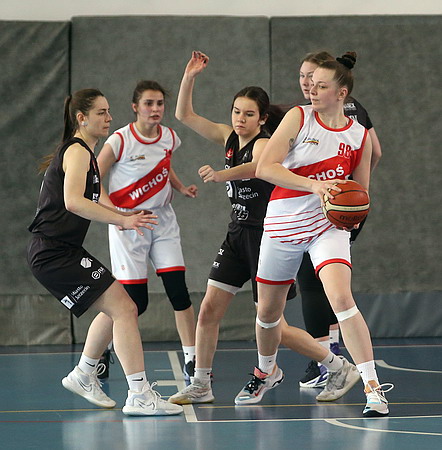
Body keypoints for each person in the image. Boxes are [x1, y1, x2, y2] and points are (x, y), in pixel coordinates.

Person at [168, 51, 359, 406]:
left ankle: (336, 365)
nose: (240, 119)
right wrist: (189, 76)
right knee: (208, 309)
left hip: (266, 235)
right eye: (236, 112)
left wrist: (221, 174)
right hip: (237, 233)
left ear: (262, 118)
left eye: (248, 114)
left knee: (274, 326)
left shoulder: (264, 143)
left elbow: (256, 168)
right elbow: (184, 115)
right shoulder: (229, 136)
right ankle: (201, 383)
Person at [238, 52, 393, 417]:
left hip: (326, 227)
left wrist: (352, 215)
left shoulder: (359, 136)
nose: (312, 89)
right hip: (283, 222)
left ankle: (373, 387)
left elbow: (361, 191)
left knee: (342, 299)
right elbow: (265, 167)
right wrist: (314, 185)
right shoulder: (298, 117)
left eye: (321, 86)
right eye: (310, 83)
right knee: (268, 313)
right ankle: (266, 371)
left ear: (341, 94)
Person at [27, 88, 183, 416]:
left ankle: (85, 373)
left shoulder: (85, 153)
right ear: (81, 118)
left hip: (63, 250)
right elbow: (73, 201)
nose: (109, 118)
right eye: (101, 112)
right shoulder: (77, 152)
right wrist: (122, 220)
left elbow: (91, 198)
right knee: (125, 308)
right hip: (53, 253)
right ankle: (139, 394)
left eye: (109, 111)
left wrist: (125, 215)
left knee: (121, 307)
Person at [283, 51, 383, 389]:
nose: (307, 84)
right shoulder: (350, 111)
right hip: (345, 205)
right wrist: (353, 191)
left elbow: (371, 152)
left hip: (324, 209)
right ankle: (332, 351)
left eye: (313, 78)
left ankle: (324, 361)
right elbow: (375, 152)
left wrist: (342, 188)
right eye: (303, 77)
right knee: (332, 287)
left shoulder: (310, 116)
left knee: (313, 283)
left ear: (334, 85)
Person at [96, 80, 198, 383]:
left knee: (179, 292)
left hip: (162, 220)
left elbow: (164, 166)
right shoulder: (120, 140)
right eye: (148, 103)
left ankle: (193, 358)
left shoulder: (169, 137)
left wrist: (180, 187)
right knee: (134, 302)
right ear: (135, 107)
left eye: (160, 103)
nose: (155, 109)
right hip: (129, 224)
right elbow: (93, 180)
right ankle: (101, 350)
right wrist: (116, 215)